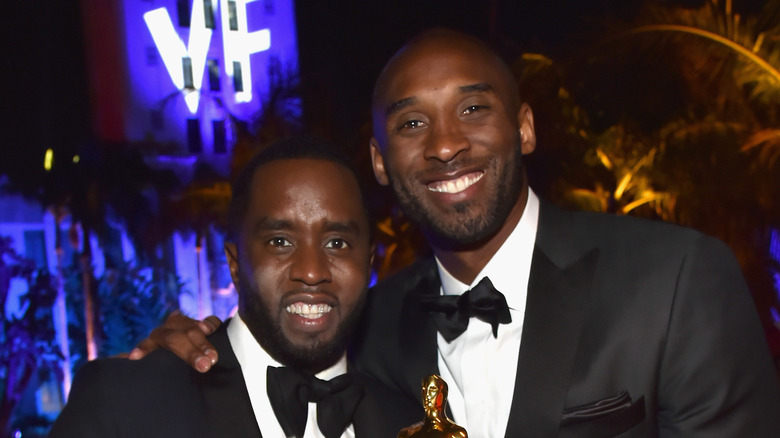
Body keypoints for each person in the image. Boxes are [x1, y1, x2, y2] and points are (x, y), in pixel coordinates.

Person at [131, 29, 780, 437]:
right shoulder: (368, 323)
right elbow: (265, 367)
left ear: (524, 128)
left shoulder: (675, 281)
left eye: (473, 109)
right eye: (412, 124)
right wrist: (184, 353)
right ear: (381, 162)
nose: (445, 145)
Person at [49, 137, 420, 438]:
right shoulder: (127, 404)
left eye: (337, 243)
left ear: (368, 262)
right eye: (280, 241)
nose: (311, 271)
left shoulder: (407, 421)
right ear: (235, 263)